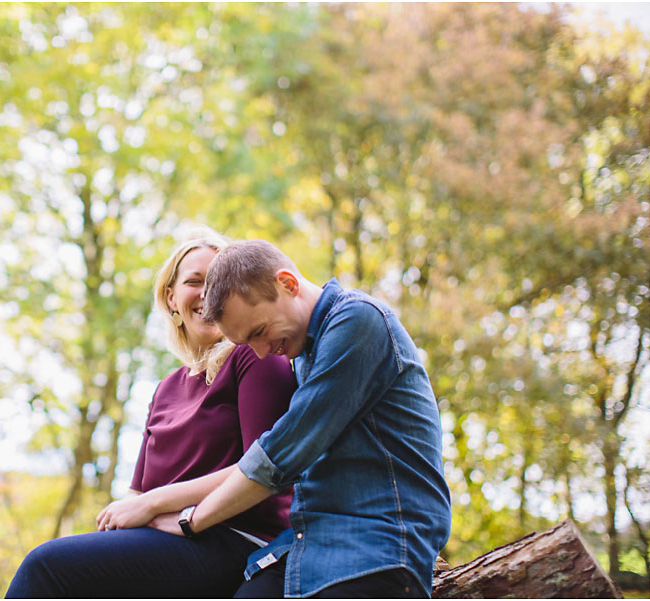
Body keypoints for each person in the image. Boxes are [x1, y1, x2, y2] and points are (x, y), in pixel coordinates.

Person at [150, 240, 451, 598]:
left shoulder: (359, 322)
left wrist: (191, 520)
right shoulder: (304, 349)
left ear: (288, 284)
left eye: (259, 332)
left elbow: (280, 455)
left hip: (377, 548)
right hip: (309, 546)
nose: (262, 352)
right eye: (248, 343)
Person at [5, 231, 296, 598]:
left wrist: (151, 504)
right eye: (194, 281)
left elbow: (265, 468)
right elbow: (136, 494)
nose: (207, 293)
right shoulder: (166, 389)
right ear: (172, 299)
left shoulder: (253, 357)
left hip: (235, 537)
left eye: (218, 283)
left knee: (45, 567)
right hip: (165, 544)